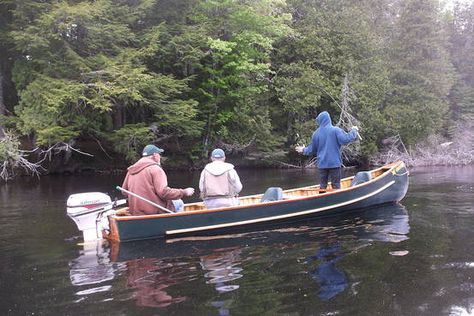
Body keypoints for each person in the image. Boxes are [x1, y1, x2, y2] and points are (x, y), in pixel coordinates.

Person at [121, 144, 194, 215]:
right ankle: (176, 225)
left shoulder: (131, 170)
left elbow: (124, 192)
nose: (160, 157)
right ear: (155, 155)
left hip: (135, 212)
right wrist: (184, 192)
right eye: (159, 154)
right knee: (179, 202)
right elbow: (164, 193)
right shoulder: (156, 169)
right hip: (153, 212)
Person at [295, 111, 359, 190]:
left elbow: (312, 149)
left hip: (322, 165)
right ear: (329, 119)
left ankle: (322, 200)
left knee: (322, 186)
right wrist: (354, 131)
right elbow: (346, 139)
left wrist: (303, 150)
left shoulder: (316, 134)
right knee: (336, 186)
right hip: (334, 164)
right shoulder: (336, 130)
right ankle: (336, 199)